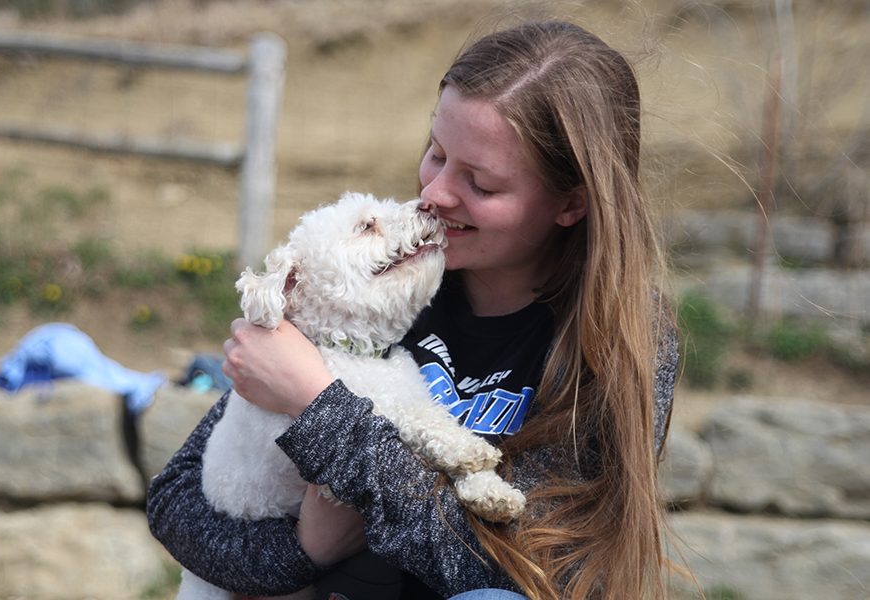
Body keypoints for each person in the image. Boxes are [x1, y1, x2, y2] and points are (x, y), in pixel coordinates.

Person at [147, 19, 679, 600]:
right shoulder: (375, 284)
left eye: (479, 182)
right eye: (436, 152)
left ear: (571, 203)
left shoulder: (619, 338)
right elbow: (176, 503)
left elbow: (526, 572)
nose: (435, 194)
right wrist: (303, 551)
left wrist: (322, 412)